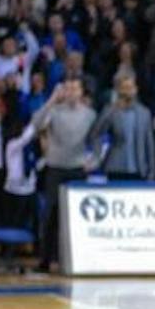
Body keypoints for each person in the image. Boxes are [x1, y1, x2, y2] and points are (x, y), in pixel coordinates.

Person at [31, 78, 98, 272]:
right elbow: (36, 125)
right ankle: (45, 260)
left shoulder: (90, 114)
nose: (70, 92)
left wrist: (93, 161)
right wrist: (52, 99)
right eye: (67, 89)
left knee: (76, 217)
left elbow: (97, 140)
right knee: (51, 215)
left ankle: (74, 259)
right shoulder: (54, 111)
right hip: (55, 167)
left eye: (74, 88)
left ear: (81, 92)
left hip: (77, 168)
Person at [91, 74, 155, 182]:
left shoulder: (144, 113)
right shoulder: (111, 110)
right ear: (119, 91)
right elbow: (96, 134)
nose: (127, 92)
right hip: (115, 167)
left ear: (135, 90)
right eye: (124, 88)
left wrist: (152, 170)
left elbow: (149, 143)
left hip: (138, 168)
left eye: (130, 88)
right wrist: (98, 156)